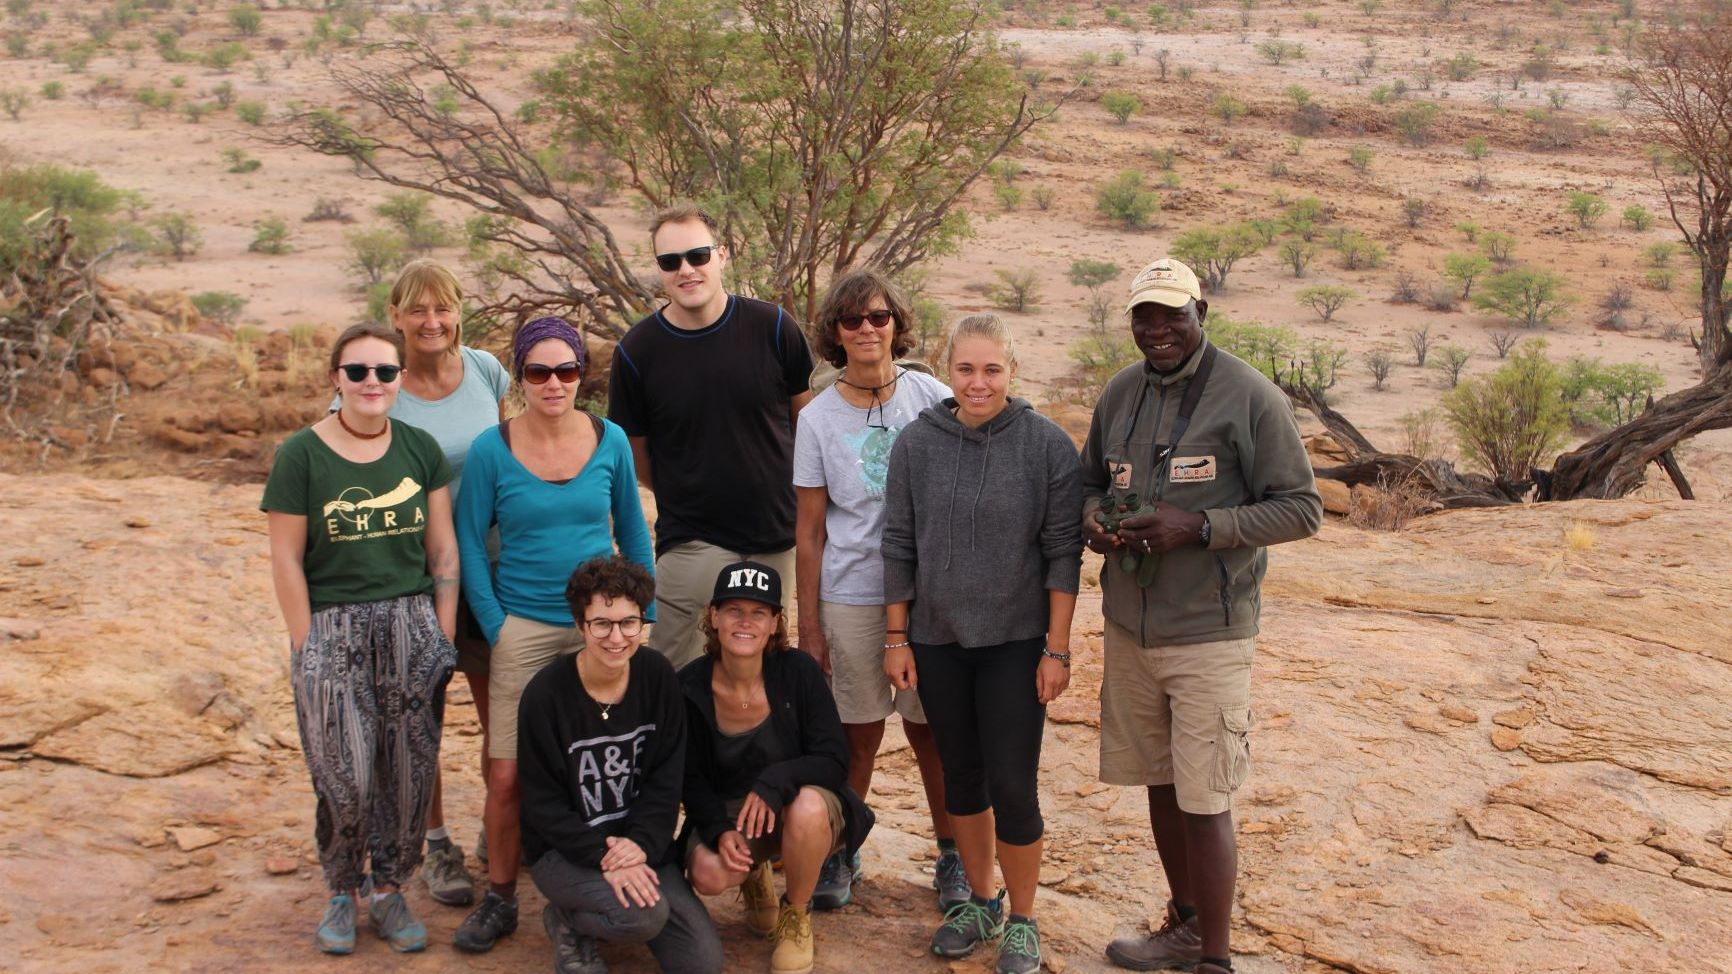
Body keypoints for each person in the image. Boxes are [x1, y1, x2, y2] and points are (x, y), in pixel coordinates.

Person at [1080, 258, 1321, 974]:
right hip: (1131, 623)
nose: (1157, 331)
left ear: (1201, 313)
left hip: (1210, 631)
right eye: (1143, 317)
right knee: (1160, 779)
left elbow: (1303, 508)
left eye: (1171, 316)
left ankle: (1214, 959)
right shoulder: (1121, 393)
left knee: (1205, 795)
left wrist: (1202, 527)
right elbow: (1090, 482)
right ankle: (1183, 925)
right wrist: (1097, 519)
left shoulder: (1248, 396)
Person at [881, 314, 1084, 974]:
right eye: (965, 368)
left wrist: (1057, 649)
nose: (977, 382)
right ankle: (980, 900)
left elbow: (1062, 553)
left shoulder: (1047, 446)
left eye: (991, 369)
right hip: (937, 639)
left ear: (1012, 372)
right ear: (948, 370)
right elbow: (899, 544)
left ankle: (1023, 920)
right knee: (962, 777)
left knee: (1013, 784)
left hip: (1016, 642)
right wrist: (896, 637)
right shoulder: (917, 443)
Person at [453, 316, 656, 953]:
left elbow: (634, 530)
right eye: (539, 371)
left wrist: (640, 620)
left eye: (566, 370)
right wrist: (495, 625)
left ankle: (599, 884)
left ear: (581, 374)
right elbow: (467, 539)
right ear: (520, 376)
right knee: (508, 772)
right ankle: (501, 896)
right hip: (525, 624)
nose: (554, 383)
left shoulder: (611, 439)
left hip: (603, 630)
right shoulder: (492, 447)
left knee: (609, 765)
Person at [262, 322, 459, 955]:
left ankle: (390, 888)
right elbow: (286, 558)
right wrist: (305, 642)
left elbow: (442, 548)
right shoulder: (301, 454)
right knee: (343, 773)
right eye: (358, 371)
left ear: (401, 379)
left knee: (407, 768)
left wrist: (443, 635)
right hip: (333, 626)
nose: (371, 382)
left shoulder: (419, 448)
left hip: (410, 625)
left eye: (384, 371)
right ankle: (342, 890)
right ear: (335, 378)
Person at [792, 267, 962, 912]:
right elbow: (809, 532)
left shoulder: (931, 395)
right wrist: (809, 629)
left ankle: (951, 855)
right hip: (851, 592)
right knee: (856, 735)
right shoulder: (817, 417)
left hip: (927, 596)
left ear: (897, 324)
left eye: (879, 317)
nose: (867, 329)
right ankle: (843, 852)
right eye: (853, 319)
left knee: (932, 733)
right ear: (834, 332)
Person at [608, 204, 815, 669]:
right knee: (677, 675)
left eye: (697, 255)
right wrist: (688, 490)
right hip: (691, 538)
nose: (686, 269)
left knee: (762, 669)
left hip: (774, 534)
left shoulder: (774, 327)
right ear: (660, 271)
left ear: (722, 255)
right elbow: (636, 455)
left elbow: (806, 423)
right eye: (670, 261)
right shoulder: (638, 352)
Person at [518, 556, 722, 974]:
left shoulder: (657, 676)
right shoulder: (546, 695)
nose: (617, 637)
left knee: (701, 964)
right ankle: (570, 921)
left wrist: (641, 845)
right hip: (566, 851)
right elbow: (542, 805)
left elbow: (666, 779)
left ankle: (597, 910)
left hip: (639, 843)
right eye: (602, 624)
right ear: (581, 626)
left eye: (630, 623)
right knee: (643, 916)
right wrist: (603, 856)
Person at [380, 258, 510, 908]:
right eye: (417, 309)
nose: (432, 322)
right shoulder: (382, 381)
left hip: (489, 571)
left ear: (459, 311)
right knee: (421, 720)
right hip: (413, 582)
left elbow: (514, 452)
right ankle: (435, 845)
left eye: (443, 308)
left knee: (500, 714)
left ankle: (498, 827)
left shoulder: (485, 370)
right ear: (396, 316)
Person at [679, 561, 873, 974]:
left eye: (758, 612)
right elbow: (690, 778)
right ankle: (753, 876)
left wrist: (776, 779)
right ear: (713, 617)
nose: (744, 622)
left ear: (775, 623)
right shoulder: (689, 686)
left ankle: (796, 914)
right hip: (736, 813)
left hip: (797, 806)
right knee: (709, 873)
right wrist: (717, 828)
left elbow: (834, 759)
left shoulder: (798, 671)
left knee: (807, 808)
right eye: (733, 610)